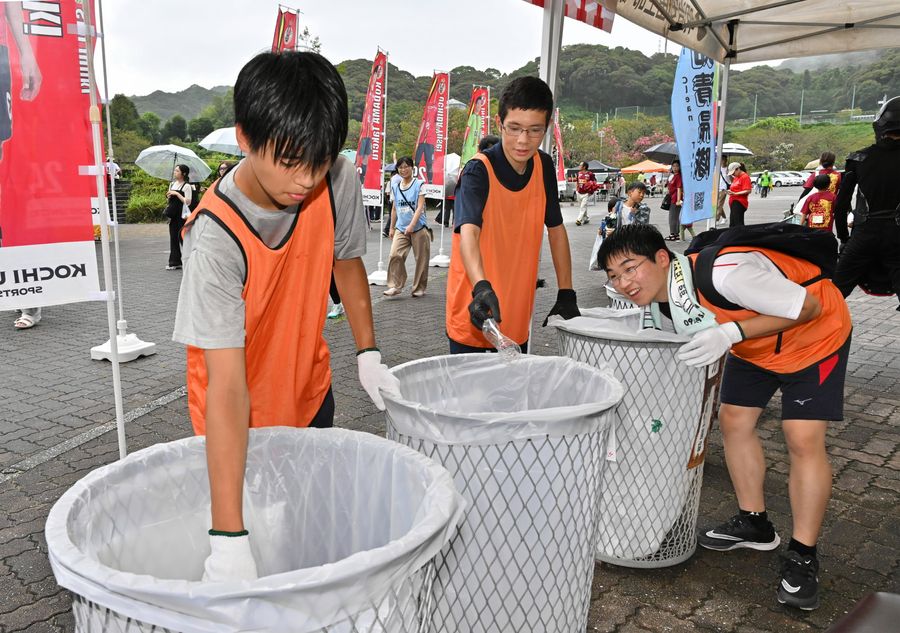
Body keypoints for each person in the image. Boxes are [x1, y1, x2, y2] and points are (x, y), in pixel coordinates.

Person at [172, 51, 400, 582]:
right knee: (256, 549)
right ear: (246, 138)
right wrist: (227, 539)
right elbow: (227, 386)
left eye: (318, 161)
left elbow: (347, 263)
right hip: (238, 422)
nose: (306, 179)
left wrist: (367, 353)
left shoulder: (335, 176)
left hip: (308, 391)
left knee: (306, 536)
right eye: (291, 161)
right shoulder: (214, 238)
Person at [598, 223, 852, 611]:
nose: (624, 283)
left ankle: (803, 554)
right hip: (755, 346)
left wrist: (730, 333)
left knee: (801, 438)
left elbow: (807, 307)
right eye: (614, 276)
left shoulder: (726, 272)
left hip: (815, 339)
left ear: (663, 258)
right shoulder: (663, 298)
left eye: (631, 268)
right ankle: (755, 523)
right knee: (733, 423)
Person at [446, 76, 579, 354]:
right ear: (499, 122)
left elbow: (556, 230)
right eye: (514, 128)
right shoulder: (477, 171)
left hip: (516, 316)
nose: (523, 140)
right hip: (476, 313)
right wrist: (481, 287)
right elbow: (468, 232)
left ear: (546, 128)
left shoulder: (543, 166)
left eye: (534, 131)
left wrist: (566, 291)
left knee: (512, 396)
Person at [833, 96, 900, 306]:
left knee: (833, 295)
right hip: (897, 237)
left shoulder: (858, 158)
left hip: (864, 234)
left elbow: (841, 205)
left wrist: (844, 238)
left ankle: (814, 336)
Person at [383, 156, 429, 298]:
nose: (403, 170)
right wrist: (391, 228)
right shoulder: (395, 186)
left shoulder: (419, 184)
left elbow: (420, 207)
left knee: (421, 259)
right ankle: (395, 286)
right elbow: (394, 209)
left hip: (419, 228)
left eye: (406, 166)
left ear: (412, 167)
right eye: (400, 167)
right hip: (400, 228)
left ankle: (419, 288)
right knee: (394, 254)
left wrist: (412, 225)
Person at [413, 76, 447, 183]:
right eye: (438, 87)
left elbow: (438, 124)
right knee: (417, 161)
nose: (440, 89)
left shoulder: (440, 106)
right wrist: (418, 140)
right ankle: (414, 178)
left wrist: (437, 140)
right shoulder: (428, 106)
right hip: (423, 138)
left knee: (429, 162)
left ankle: (430, 181)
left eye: (442, 86)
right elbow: (423, 122)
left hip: (431, 140)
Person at [164, 164, 192, 270]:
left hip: (182, 215)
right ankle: (174, 262)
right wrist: (169, 195)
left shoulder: (187, 186)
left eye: (177, 171)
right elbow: (169, 200)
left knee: (183, 237)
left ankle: (189, 260)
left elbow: (187, 202)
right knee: (173, 238)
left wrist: (177, 194)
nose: (175, 172)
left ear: (183, 173)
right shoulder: (172, 184)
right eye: (175, 170)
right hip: (173, 215)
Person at [726, 162, 751, 227]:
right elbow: (735, 187)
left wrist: (735, 193)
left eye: (733, 172)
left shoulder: (745, 177)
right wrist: (730, 191)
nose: (733, 174)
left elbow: (748, 190)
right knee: (733, 223)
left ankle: (741, 236)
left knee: (738, 223)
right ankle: (735, 236)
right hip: (733, 201)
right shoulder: (736, 177)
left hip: (739, 202)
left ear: (738, 169)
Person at [665, 160, 683, 241]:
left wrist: (678, 200)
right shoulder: (673, 176)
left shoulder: (678, 176)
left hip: (675, 199)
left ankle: (673, 234)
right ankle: (675, 234)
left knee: (672, 217)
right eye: (673, 166)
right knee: (675, 217)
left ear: (680, 167)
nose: (675, 168)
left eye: (677, 166)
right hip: (672, 198)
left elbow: (679, 188)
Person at [575, 161, 597, 226]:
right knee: (582, 206)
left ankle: (579, 220)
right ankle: (586, 218)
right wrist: (576, 190)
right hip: (579, 192)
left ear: (584, 167)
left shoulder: (590, 174)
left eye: (580, 165)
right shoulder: (579, 173)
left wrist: (591, 187)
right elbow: (577, 182)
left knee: (583, 206)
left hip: (586, 193)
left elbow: (594, 182)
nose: (579, 166)